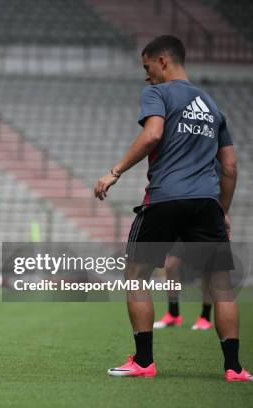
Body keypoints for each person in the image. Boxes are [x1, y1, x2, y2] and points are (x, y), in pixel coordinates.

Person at [94, 35, 251, 381]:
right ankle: (235, 368)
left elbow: (152, 135)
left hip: (165, 198)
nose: (146, 76)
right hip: (206, 202)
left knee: (135, 276)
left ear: (162, 61)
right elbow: (230, 167)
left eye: (147, 67)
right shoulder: (213, 106)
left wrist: (114, 171)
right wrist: (222, 210)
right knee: (221, 285)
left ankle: (144, 361)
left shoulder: (158, 93)